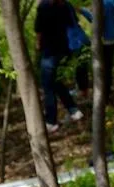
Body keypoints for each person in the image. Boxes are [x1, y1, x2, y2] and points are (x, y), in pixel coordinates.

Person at [35, 0, 83, 133]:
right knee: (55, 81)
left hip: (50, 52)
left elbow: (39, 30)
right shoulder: (66, 5)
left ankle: (51, 121)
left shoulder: (44, 7)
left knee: (48, 85)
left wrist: (38, 45)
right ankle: (73, 110)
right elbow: (74, 24)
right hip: (65, 49)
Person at [79, 0, 114, 100]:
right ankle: (107, 93)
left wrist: (82, 11)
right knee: (108, 68)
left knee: (100, 68)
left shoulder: (101, 3)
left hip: (102, 41)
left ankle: (102, 96)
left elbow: (95, 20)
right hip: (113, 39)